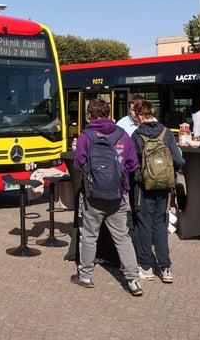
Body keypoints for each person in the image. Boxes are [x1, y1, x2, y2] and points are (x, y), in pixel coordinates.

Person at [71, 98, 144, 297]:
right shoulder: (122, 134)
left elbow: (78, 164)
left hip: (93, 195)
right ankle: (133, 279)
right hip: (117, 196)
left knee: (89, 235)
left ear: (90, 115)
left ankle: (85, 276)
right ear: (109, 112)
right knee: (122, 236)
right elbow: (132, 164)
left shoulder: (86, 136)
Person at [130, 99, 185, 284]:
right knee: (160, 225)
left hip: (142, 188)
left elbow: (131, 164)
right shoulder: (166, 133)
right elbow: (179, 161)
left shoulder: (137, 135)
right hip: (164, 188)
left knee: (143, 225)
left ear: (138, 115)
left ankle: (146, 267)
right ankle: (165, 267)